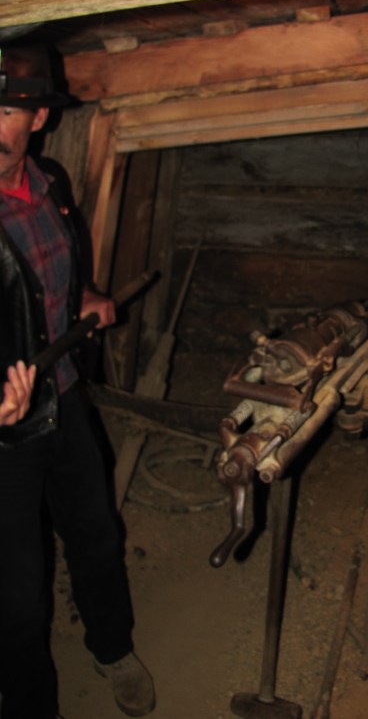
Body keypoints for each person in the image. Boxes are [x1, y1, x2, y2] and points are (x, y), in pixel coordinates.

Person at [0, 46, 155, 719]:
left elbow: (58, 277)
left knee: (94, 532)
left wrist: (86, 295)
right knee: (16, 592)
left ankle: (113, 646)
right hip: (3, 440)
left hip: (62, 395)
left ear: (36, 118)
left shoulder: (51, 182)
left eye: (4, 109)